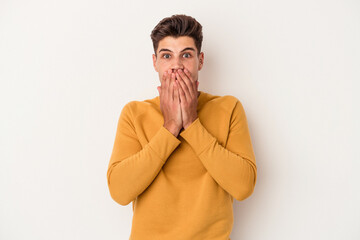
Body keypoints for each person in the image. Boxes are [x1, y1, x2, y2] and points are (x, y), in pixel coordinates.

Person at [107, 14, 257, 240]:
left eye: (186, 55)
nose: (176, 66)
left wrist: (191, 123)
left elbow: (243, 187)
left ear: (201, 60)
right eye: (166, 56)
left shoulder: (229, 108)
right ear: (155, 62)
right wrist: (170, 128)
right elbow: (119, 191)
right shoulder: (134, 114)